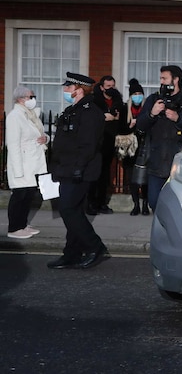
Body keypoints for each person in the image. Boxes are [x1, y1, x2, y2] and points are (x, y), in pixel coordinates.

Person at [47, 72, 110, 269]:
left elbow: (87, 145)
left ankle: (95, 246)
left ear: (79, 89)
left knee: (68, 209)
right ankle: (71, 253)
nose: (65, 90)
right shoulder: (72, 110)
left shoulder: (91, 112)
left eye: (69, 86)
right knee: (72, 210)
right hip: (67, 168)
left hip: (80, 170)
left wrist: (77, 169)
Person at [136, 65, 182, 209]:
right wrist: (151, 114)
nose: (162, 82)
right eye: (160, 78)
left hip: (180, 162)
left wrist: (179, 119)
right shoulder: (154, 99)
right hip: (157, 161)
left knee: (177, 205)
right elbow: (140, 126)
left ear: (176, 80)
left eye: (165, 78)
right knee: (154, 201)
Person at [5, 86, 48, 239]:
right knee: (19, 195)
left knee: (29, 194)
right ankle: (14, 228)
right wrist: (17, 170)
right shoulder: (14, 116)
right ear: (20, 99)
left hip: (33, 162)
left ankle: (22, 224)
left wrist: (46, 138)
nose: (33, 99)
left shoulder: (31, 115)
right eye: (30, 96)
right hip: (22, 162)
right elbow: (13, 144)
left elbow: (40, 133)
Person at [89, 75, 124, 215]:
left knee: (105, 174)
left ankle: (101, 202)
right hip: (97, 142)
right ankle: (91, 203)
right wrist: (104, 117)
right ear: (102, 87)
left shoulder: (117, 101)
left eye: (113, 86)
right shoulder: (95, 100)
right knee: (94, 174)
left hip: (110, 141)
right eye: (108, 86)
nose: (111, 89)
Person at [121, 78, 149, 216]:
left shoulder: (146, 109)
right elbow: (120, 129)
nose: (138, 96)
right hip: (130, 149)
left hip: (143, 148)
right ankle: (136, 204)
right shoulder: (125, 108)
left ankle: (145, 205)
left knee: (144, 179)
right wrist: (130, 126)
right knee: (132, 179)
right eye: (135, 93)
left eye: (140, 93)